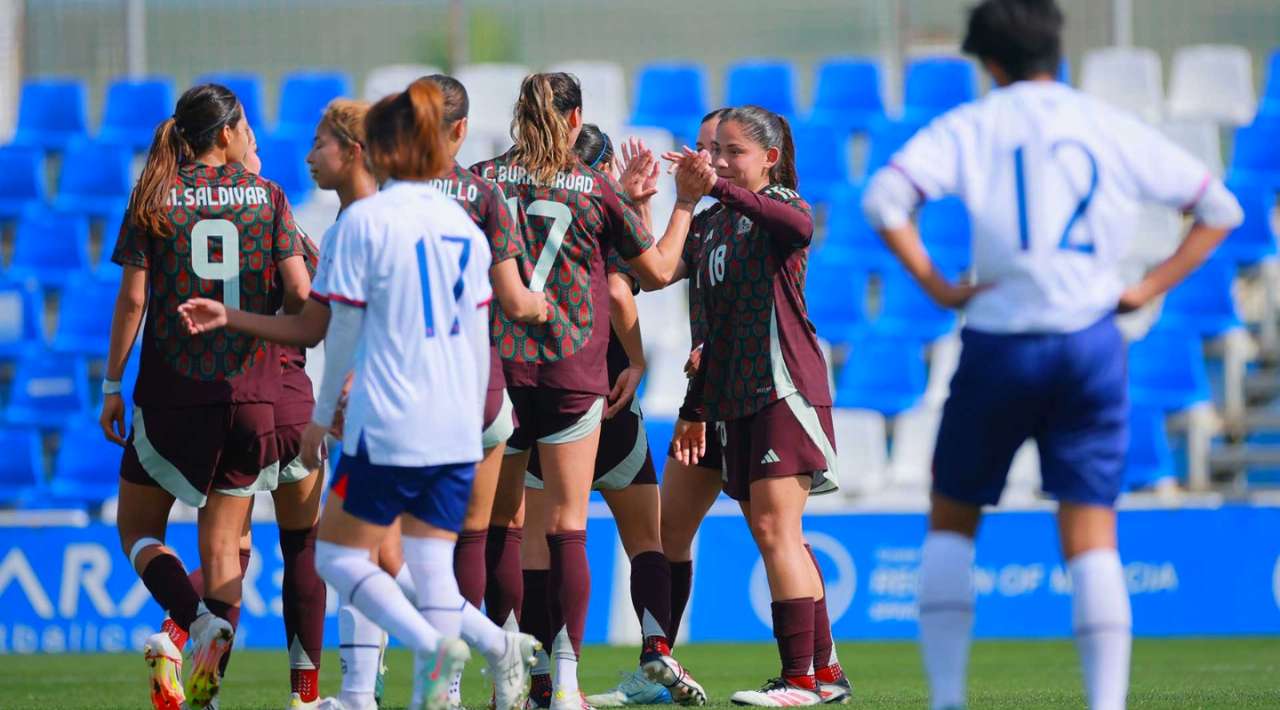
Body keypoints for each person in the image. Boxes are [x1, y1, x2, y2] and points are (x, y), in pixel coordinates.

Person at [859, 2, 1244, 709]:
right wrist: (1148, 287)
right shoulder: (1105, 124)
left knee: (951, 521)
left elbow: (886, 198)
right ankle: (1106, 704)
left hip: (1001, 342)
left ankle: (947, 701)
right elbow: (1220, 208)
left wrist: (940, 286)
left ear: (991, 62)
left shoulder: (974, 126)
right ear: (1054, 50)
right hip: (1091, 342)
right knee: (1092, 529)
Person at [178, 80, 543, 710]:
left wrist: (316, 412)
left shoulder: (364, 223)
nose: (312, 152)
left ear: (369, 149)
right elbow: (481, 327)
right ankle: (473, 662)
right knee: (426, 564)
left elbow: (326, 331)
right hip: (458, 423)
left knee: (340, 560)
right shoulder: (462, 225)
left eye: (325, 142)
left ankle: (424, 652)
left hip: (392, 417)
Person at [470, 72, 708, 710]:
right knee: (574, 531)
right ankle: (575, 681)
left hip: (499, 372)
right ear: (576, 119)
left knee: (503, 530)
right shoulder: (593, 187)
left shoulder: (483, 178)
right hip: (577, 377)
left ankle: (509, 680)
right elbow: (648, 274)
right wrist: (680, 202)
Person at [101, 83, 310, 710]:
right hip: (252, 396)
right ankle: (235, 689)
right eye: (242, 123)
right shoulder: (269, 197)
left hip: (172, 396)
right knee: (231, 549)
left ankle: (188, 628)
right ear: (226, 133)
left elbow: (134, 299)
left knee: (138, 530)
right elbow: (301, 293)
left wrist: (113, 384)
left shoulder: (155, 197)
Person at [673, 105, 841, 706]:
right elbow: (663, 271)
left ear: (768, 158)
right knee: (777, 534)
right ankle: (823, 673)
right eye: (713, 151)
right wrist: (660, 201)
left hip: (782, 388)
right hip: (734, 397)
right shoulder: (713, 223)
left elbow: (790, 226)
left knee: (776, 530)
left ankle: (801, 680)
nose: (717, 161)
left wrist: (711, 185)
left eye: (731, 151)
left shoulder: (787, 204)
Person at [419, 71, 550, 707]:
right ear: (462, 129)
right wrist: (547, 308)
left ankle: (381, 684)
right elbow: (516, 300)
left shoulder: (380, 192)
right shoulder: (483, 194)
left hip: (404, 389)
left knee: (383, 543)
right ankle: (492, 663)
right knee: (480, 532)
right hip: (476, 385)